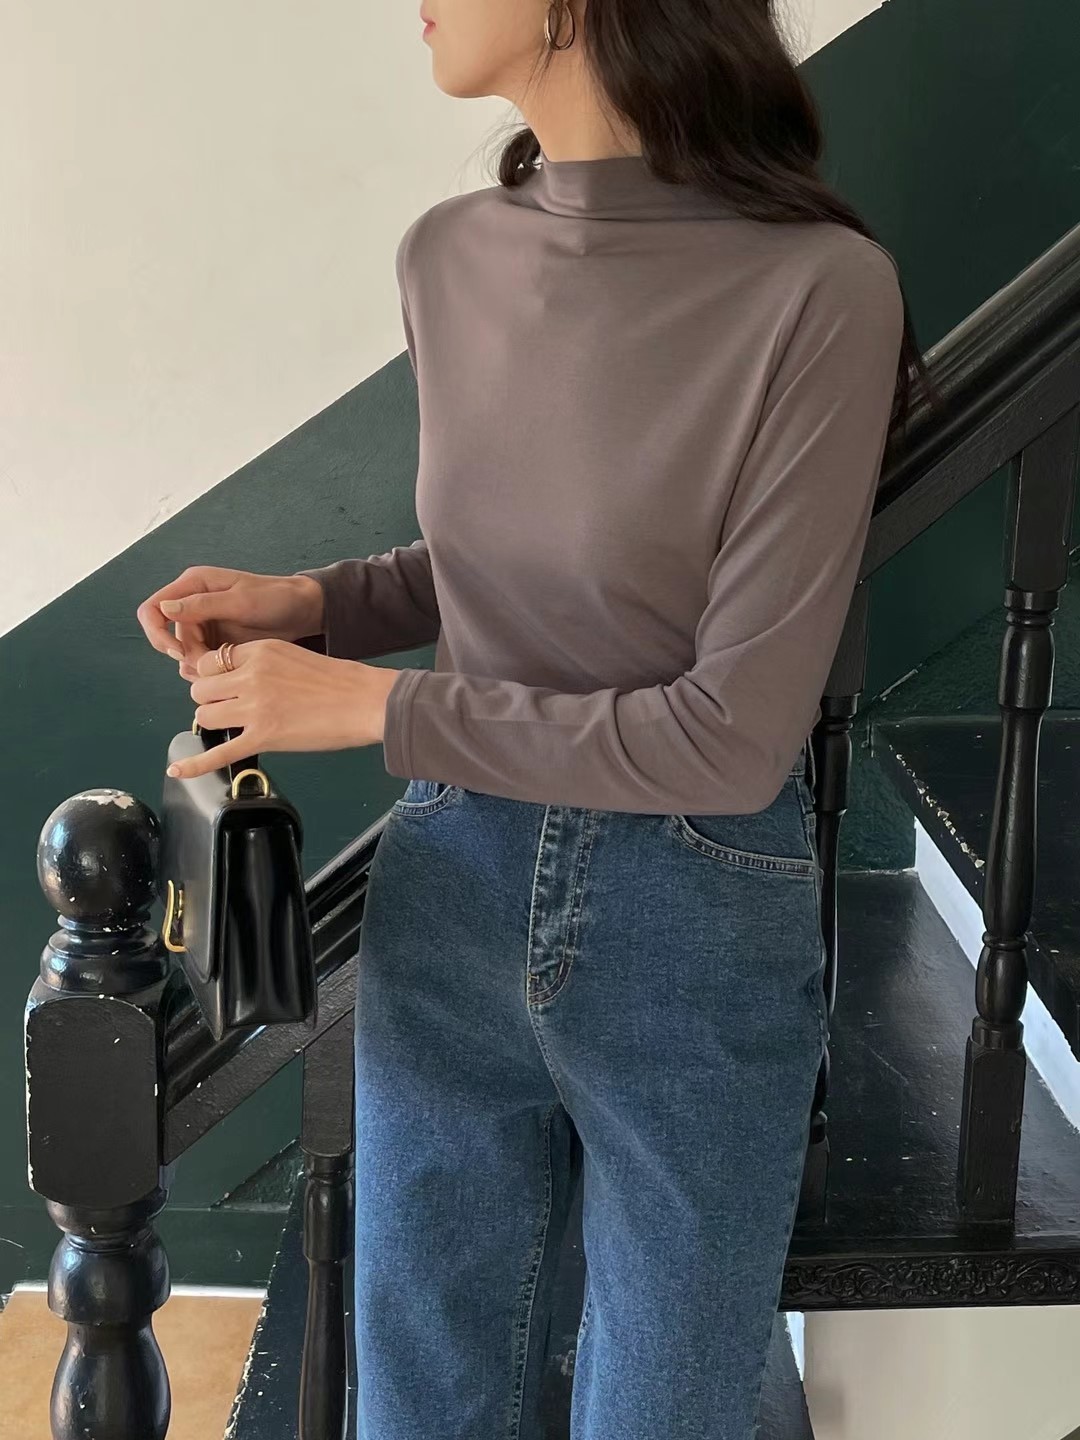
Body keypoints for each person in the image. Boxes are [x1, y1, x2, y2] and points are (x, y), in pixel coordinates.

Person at [138, 0, 928, 1433]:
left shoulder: (822, 290)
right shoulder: (449, 257)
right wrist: (314, 603)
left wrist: (376, 705)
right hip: (453, 880)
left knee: (665, 1410)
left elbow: (730, 735)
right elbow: (505, 560)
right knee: (417, 1404)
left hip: (692, 914)